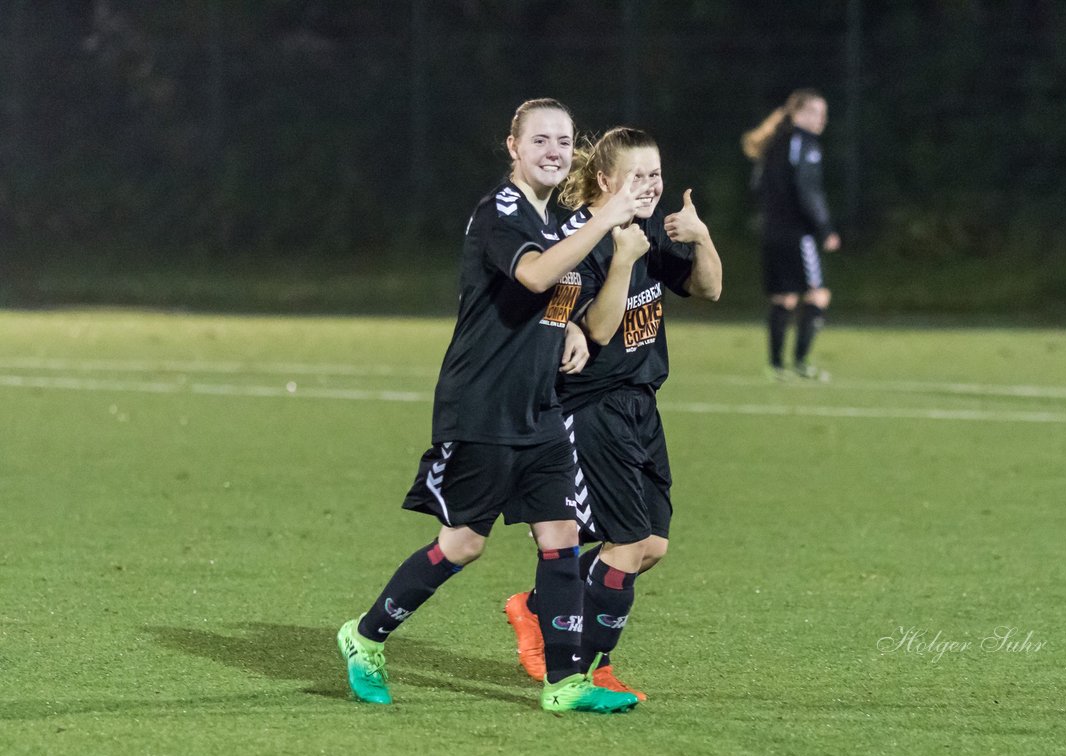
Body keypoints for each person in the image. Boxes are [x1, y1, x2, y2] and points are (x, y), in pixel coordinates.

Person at [336, 99, 652, 715]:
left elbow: (553, 297)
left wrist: (571, 331)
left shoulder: (556, 222)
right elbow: (533, 277)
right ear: (514, 147)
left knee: (560, 536)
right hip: (482, 406)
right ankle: (365, 636)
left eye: (563, 141)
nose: (554, 151)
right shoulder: (500, 212)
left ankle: (564, 683)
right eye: (540, 140)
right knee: (462, 544)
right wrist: (605, 218)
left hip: (540, 410)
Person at [503, 127, 723, 699]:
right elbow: (595, 331)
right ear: (605, 179)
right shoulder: (582, 238)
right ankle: (583, 666)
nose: (651, 185)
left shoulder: (649, 225)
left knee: (651, 546)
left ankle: (537, 606)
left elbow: (710, 289)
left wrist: (701, 238)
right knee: (625, 544)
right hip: (588, 406)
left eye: (657, 174)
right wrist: (624, 261)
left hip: (640, 403)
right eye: (638, 175)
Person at [742, 88, 840, 381]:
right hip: (798, 233)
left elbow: (758, 187)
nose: (821, 119)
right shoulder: (804, 144)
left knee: (784, 297)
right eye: (815, 113)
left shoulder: (773, 143)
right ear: (798, 114)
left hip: (771, 231)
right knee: (818, 294)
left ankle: (775, 366)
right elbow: (807, 191)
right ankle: (800, 362)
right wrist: (825, 229)